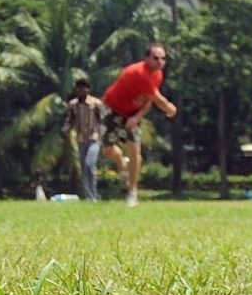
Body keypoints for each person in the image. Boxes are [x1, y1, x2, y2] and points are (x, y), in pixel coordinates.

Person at [100, 44, 177, 207]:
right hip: (112, 109)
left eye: (163, 58)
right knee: (107, 150)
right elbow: (157, 99)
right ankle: (121, 161)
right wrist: (170, 108)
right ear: (146, 58)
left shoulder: (157, 75)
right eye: (156, 58)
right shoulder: (139, 73)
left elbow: (147, 100)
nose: (160, 62)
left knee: (135, 149)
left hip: (133, 113)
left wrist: (137, 117)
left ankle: (132, 192)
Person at [65, 80, 104, 202]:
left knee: (90, 163)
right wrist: (65, 130)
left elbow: (103, 119)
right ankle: (88, 195)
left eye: (84, 88)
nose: (82, 91)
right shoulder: (73, 105)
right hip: (81, 139)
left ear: (88, 90)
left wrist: (102, 134)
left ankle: (94, 195)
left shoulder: (95, 104)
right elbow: (70, 120)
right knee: (84, 167)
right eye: (79, 89)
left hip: (94, 138)